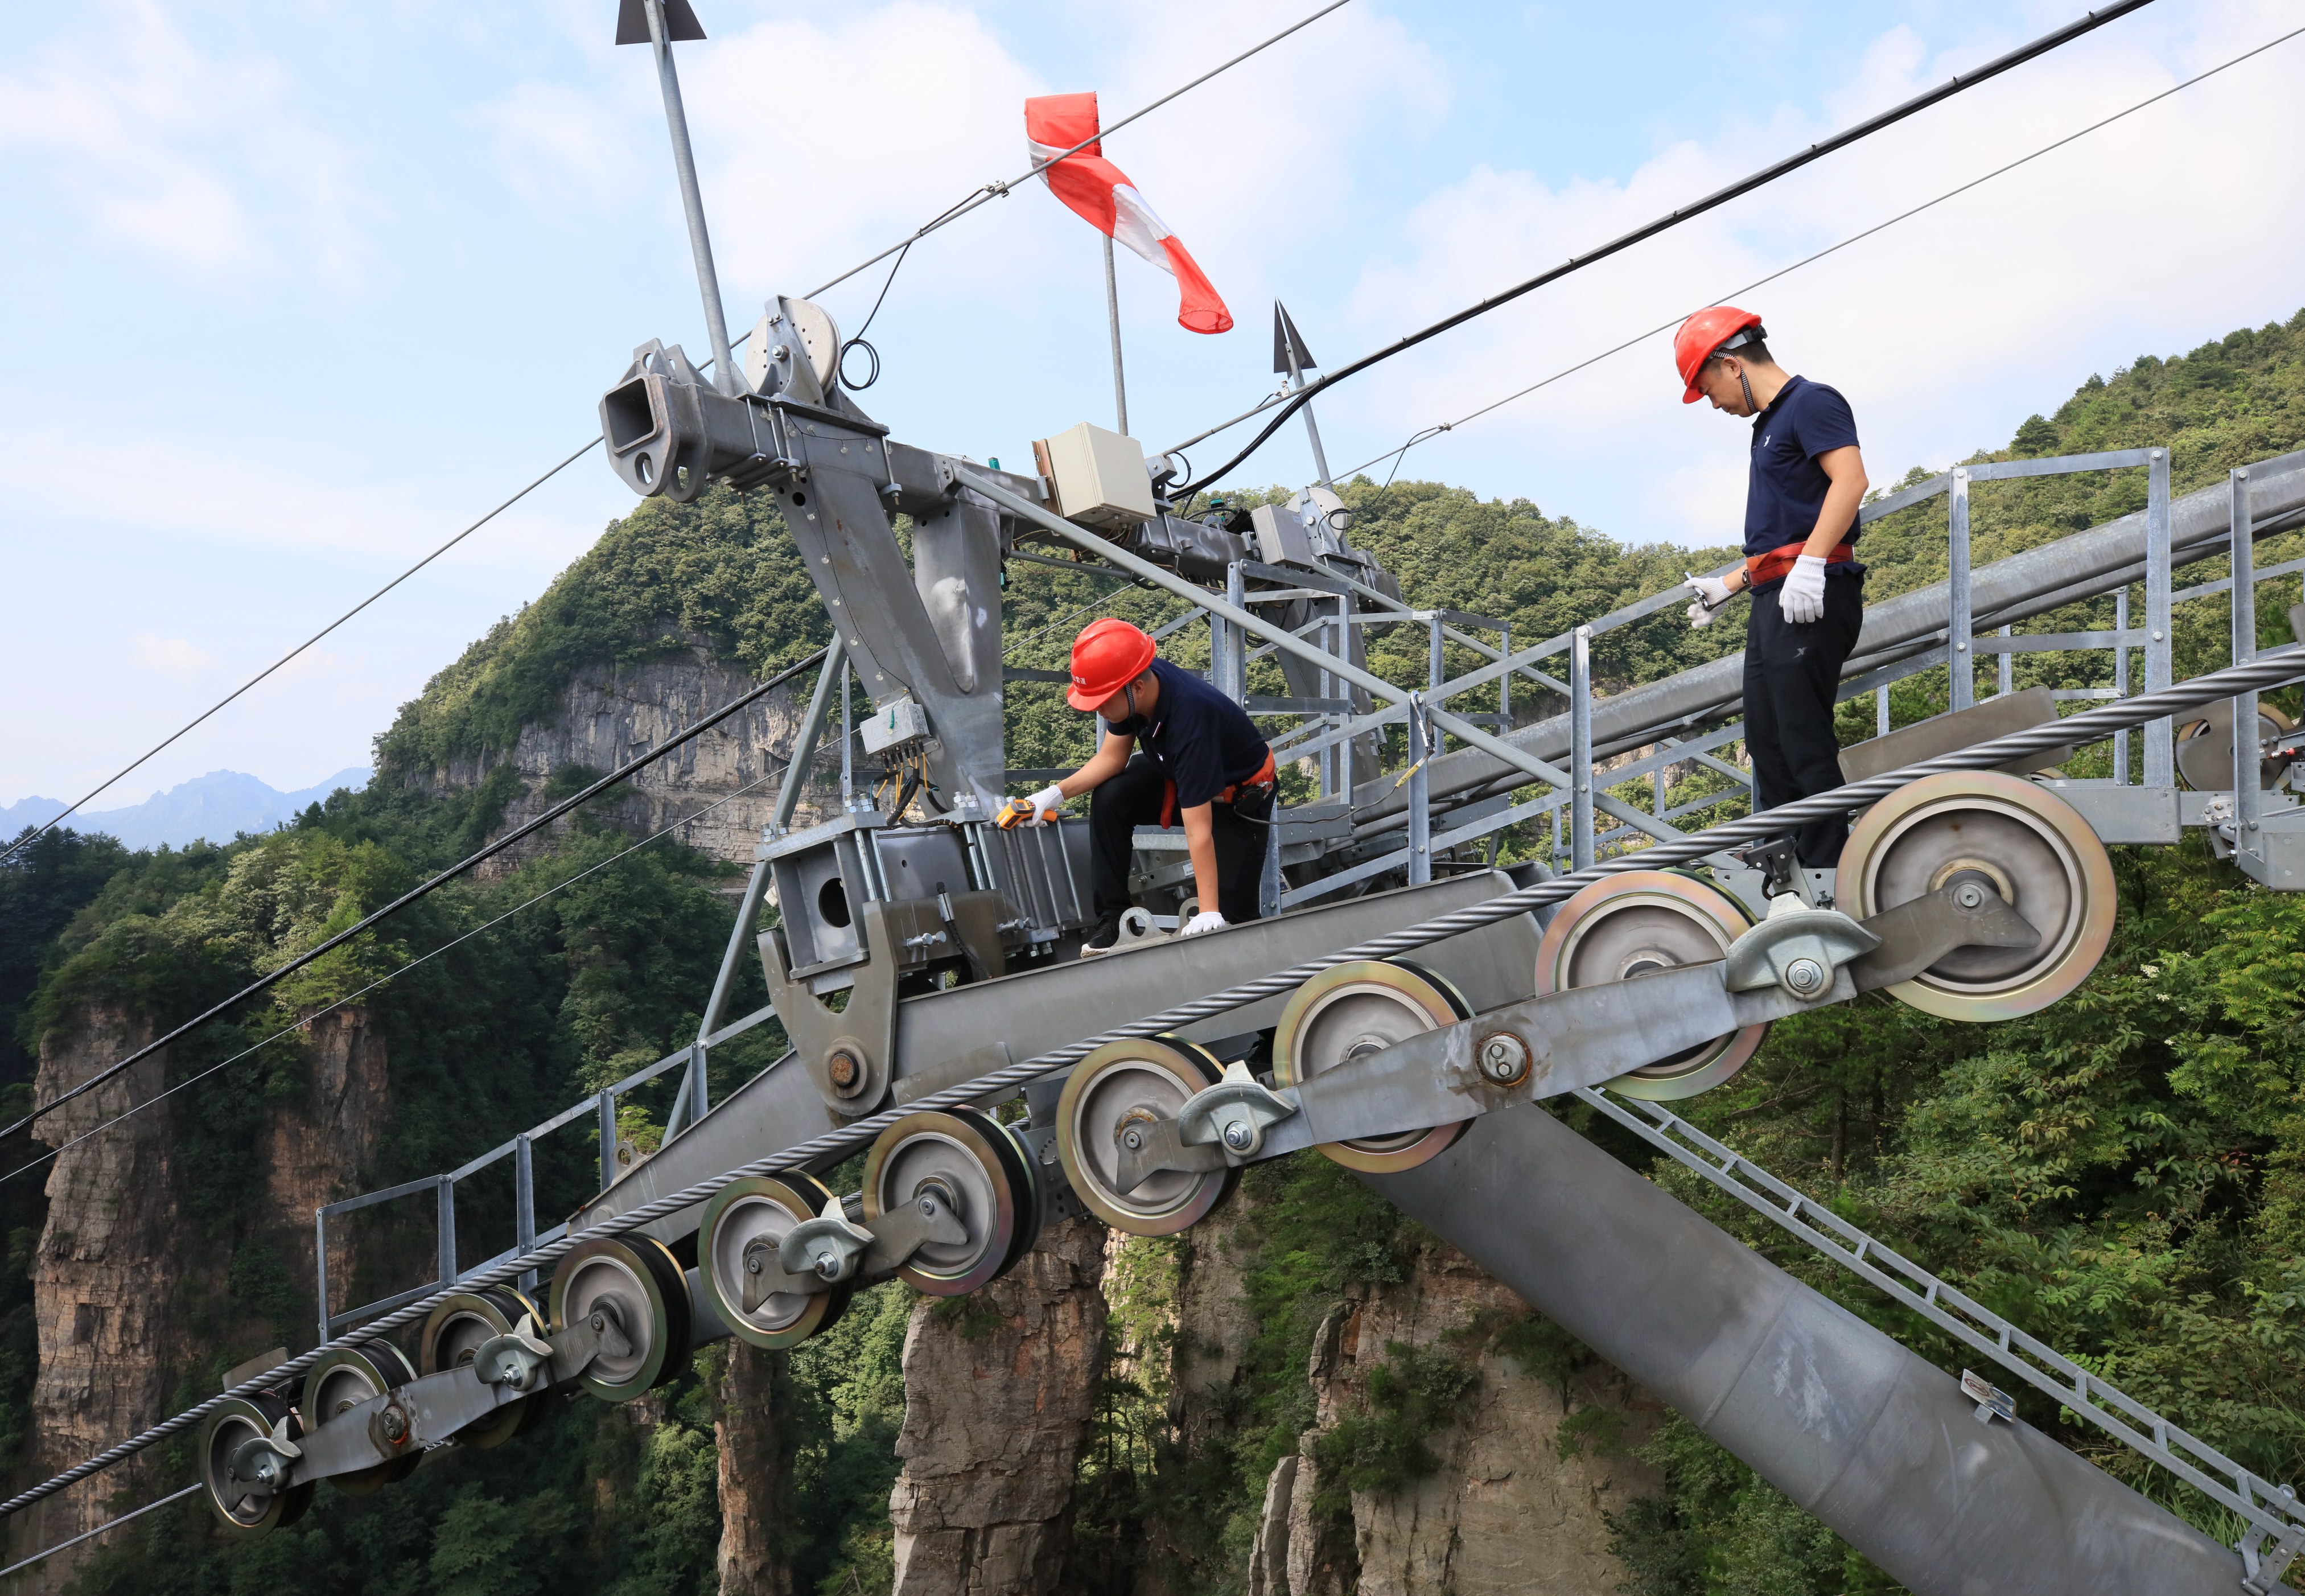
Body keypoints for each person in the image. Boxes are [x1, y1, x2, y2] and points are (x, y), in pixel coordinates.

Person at [1676, 307, 1870, 867]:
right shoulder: (1768, 427)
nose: (1711, 402)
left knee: (1801, 736)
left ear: (1730, 364)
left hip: (1812, 593)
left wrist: (1811, 564)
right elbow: (1785, 529)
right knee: (1767, 739)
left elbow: (1851, 480)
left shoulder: (1813, 401)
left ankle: (1829, 870)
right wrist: (1728, 585)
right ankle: (1790, 860)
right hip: (1777, 595)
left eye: (1705, 386)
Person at [1003, 618, 1276, 953]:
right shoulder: (1131, 680)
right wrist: (1053, 794)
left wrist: (1208, 910)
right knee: (1112, 795)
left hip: (1236, 800)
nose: (1099, 709)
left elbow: (1198, 831)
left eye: (1102, 701)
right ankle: (1113, 922)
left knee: (1235, 920)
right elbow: (1112, 759)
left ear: (1138, 689)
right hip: (1177, 771)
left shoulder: (1190, 720)